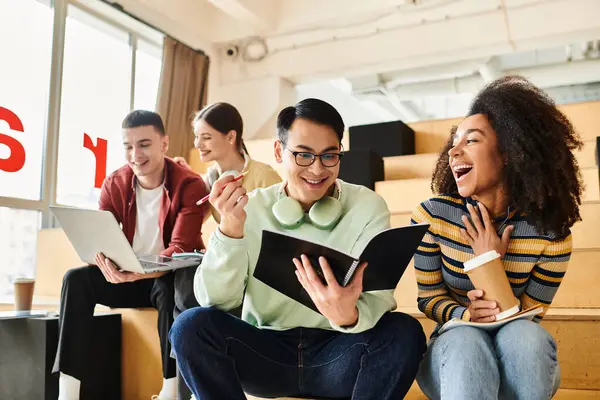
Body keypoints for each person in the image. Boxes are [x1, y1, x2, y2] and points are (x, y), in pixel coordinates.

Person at [170, 98, 426, 400]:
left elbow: (379, 295)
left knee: (404, 332)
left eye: (329, 156)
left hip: (340, 353)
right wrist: (230, 230)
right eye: (303, 155)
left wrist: (349, 316)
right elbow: (215, 300)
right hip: (265, 352)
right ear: (279, 152)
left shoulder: (367, 206)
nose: (317, 169)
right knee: (190, 326)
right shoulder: (249, 206)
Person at [411, 76, 583, 399]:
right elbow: (428, 298)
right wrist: (465, 314)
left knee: (525, 338)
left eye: (471, 141)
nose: (453, 151)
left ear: (508, 152)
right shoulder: (432, 217)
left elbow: (528, 317)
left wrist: (489, 264)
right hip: (454, 357)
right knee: (467, 343)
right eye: (455, 142)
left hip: (519, 362)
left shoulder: (551, 237)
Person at [52, 110, 209, 400]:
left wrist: (141, 271)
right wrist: (105, 263)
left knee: (168, 285)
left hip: (169, 278)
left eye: (144, 144)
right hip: (128, 275)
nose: (135, 154)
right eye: (128, 146)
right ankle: (68, 392)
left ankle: (170, 389)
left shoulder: (190, 185)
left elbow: (180, 250)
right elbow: (100, 236)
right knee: (76, 279)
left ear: (164, 144)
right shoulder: (115, 182)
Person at [175, 102, 281, 224]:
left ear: (230, 137)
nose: (197, 144)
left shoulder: (264, 175)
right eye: (196, 137)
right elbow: (193, 221)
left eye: (206, 137)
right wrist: (188, 177)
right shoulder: (211, 179)